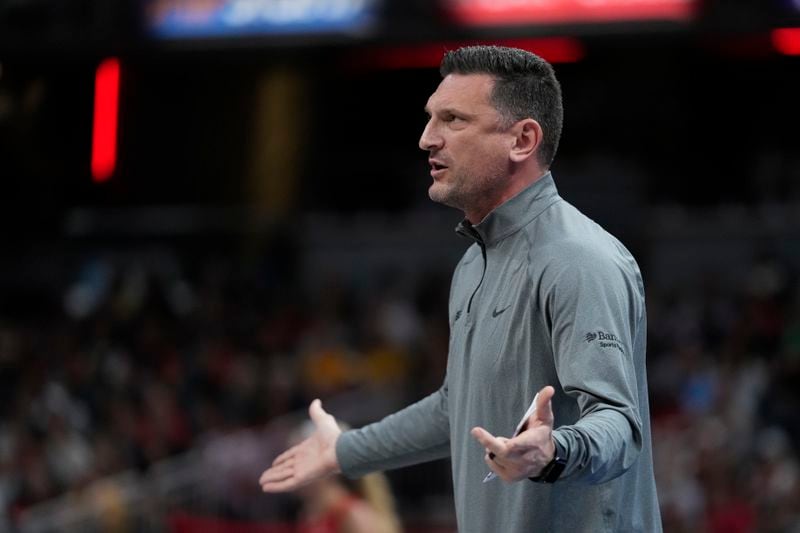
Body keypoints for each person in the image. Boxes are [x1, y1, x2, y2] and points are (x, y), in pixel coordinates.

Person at [260, 45, 662, 532]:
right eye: (431, 118)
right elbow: (458, 407)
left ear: (522, 139)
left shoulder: (579, 259)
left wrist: (556, 450)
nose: (427, 138)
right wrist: (346, 451)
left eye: (452, 119)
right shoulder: (473, 264)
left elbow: (620, 421)